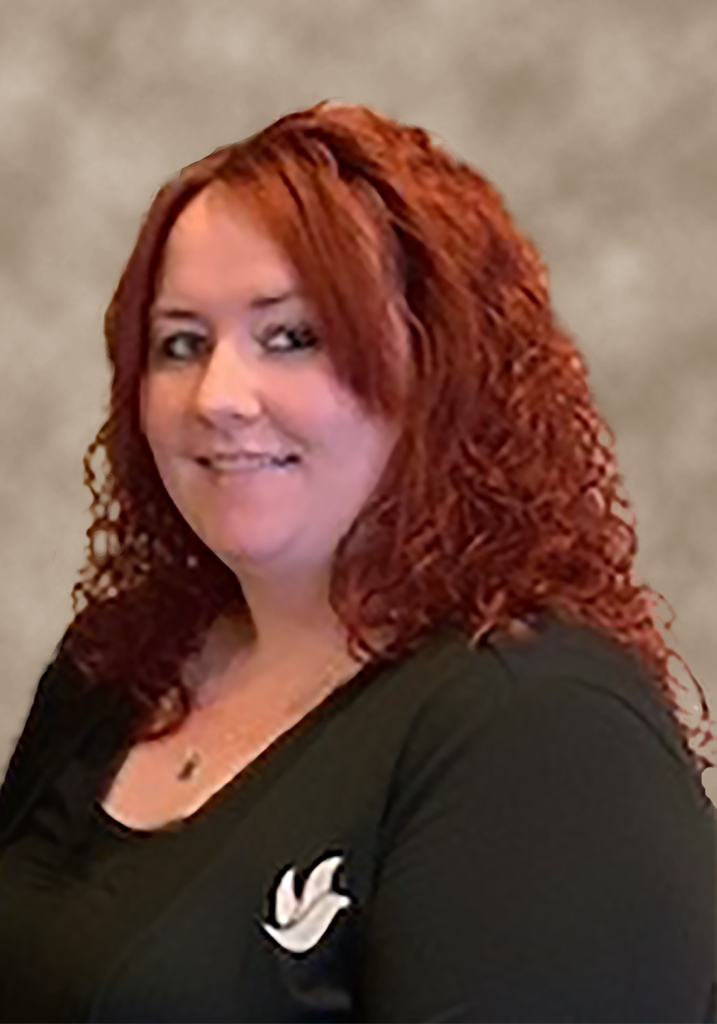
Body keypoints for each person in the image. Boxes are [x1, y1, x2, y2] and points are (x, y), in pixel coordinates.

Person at [0, 99, 714, 1024]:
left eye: (291, 336)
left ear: (441, 366)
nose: (218, 395)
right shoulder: (115, 669)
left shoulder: (541, 731)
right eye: (180, 343)